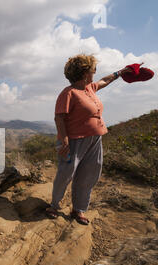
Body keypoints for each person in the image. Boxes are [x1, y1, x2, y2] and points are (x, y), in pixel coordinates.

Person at [45, 54, 134, 225]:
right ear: (85, 72)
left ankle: (79, 209)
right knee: (66, 173)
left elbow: (104, 81)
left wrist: (121, 72)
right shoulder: (69, 93)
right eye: (93, 69)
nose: (95, 72)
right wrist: (64, 140)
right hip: (73, 141)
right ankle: (54, 206)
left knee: (89, 174)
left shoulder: (90, 88)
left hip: (95, 139)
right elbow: (59, 117)